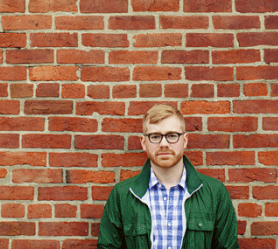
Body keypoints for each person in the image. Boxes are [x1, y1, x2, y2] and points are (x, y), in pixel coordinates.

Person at [97, 104, 239, 249]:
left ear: (184, 141)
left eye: (172, 136)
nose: (164, 144)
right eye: (155, 136)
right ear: (143, 142)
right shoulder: (122, 195)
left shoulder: (215, 193)